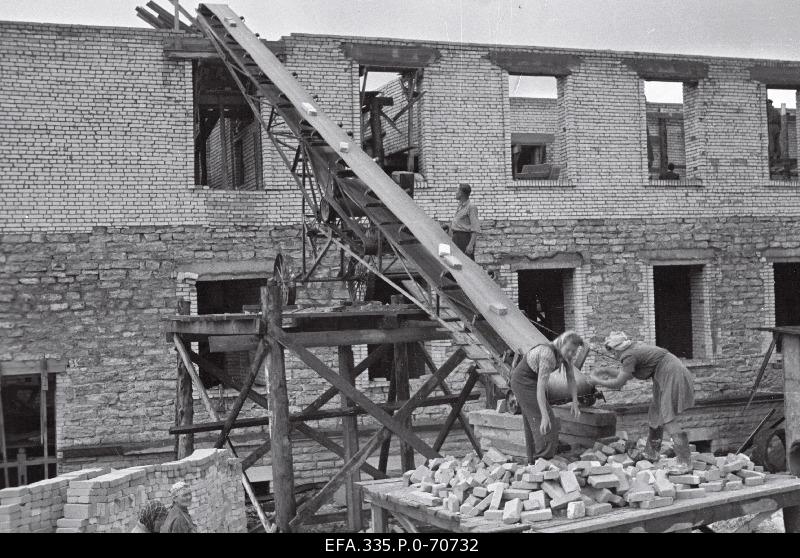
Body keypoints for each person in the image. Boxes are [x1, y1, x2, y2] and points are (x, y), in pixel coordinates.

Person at [586, 331, 695, 473]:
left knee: (668, 418)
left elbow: (619, 383)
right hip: (664, 372)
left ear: (618, 348)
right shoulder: (631, 350)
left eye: (613, 352)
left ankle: (685, 462)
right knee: (655, 413)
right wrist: (606, 371)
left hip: (671, 373)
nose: (614, 355)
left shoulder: (628, 355)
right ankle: (652, 452)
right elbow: (627, 374)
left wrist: (596, 381)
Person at [510, 331, 584, 461]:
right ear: (561, 344)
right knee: (546, 422)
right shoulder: (548, 354)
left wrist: (575, 401)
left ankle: (532, 461)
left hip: (533, 381)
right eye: (569, 350)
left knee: (533, 420)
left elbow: (571, 379)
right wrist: (544, 415)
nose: (571, 354)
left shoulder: (566, 356)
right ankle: (543, 461)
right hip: (522, 381)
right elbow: (540, 388)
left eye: (574, 351)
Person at [448, 183, 480, 259]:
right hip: (456, 238)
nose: (456, 193)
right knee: (456, 261)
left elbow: (475, 228)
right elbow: (458, 223)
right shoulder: (460, 206)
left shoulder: (471, 207)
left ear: (462, 193)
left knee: (467, 263)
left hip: (464, 239)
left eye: (457, 191)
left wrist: (470, 245)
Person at [767, 99, 782, 164]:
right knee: (777, 142)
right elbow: (780, 121)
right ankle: (778, 155)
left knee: (771, 142)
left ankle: (771, 156)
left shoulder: (767, 110)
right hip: (777, 127)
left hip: (770, 126)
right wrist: (779, 128)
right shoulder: (776, 111)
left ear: (768, 103)